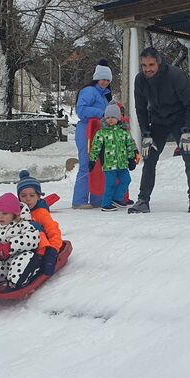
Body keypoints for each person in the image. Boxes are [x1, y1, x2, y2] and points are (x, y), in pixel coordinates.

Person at [128, 47, 190, 214]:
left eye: (151, 65)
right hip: (158, 121)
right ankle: (143, 200)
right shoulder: (140, 80)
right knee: (149, 158)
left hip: (180, 119)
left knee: (189, 156)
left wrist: (188, 130)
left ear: (158, 63)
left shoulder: (174, 76)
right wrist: (146, 133)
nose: (148, 69)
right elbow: (140, 109)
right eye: (144, 65)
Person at [72, 59, 114, 209]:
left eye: (108, 80)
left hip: (98, 132)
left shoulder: (104, 95)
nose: (105, 82)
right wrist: (101, 113)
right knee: (86, 165)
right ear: (97, 77)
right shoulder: (90, 91)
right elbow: (81, 110)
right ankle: (79, 200)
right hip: (86, 131)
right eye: (103, 79)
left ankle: (97, 198)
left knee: (98, 166)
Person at [89, 103, 139, 212]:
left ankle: (117, 198)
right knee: (110, 183)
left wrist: (131, 159)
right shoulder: (101, 133)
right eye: (108, 117)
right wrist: (92, 160)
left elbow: (129, 145)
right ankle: (106, 203)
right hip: (109, 164)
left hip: (122, 163)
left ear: (118, 118)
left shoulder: (124, 132)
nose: (110, 120)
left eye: (113, 117)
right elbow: (95, 147)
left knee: (126, 180)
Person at [16, 170, 63, 276]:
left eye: (32, 195)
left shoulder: (41, 213)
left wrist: (52, 251)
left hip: (42, 248)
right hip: (22, 248)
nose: (27, 199)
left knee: (33, 226)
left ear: (38, 196)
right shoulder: (17, 213)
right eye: (23, 196)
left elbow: (53, 230)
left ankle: (39, 259)